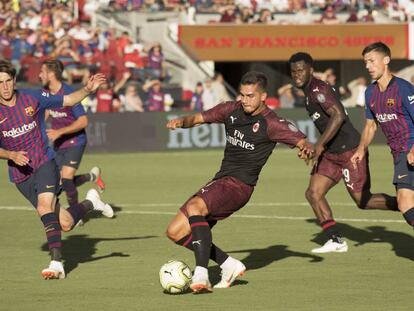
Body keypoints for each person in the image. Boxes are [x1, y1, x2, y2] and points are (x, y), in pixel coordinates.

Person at [165, 71, 314, 293]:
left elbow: (303, 141)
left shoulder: (272, 123)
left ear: (263, 96)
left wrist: (307, 149)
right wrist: (180, 122)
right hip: (221, 180)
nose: (245, 100)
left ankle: (201, 274)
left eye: (250, 96)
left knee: (195, 206)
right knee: (176, 232)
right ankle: (228, 264)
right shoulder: (230, 109)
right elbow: (196, 119)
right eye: (242, 94)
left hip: (239, 186)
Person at [0, 59, 113, 280]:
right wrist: (10, 155)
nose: (4, 87)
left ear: (14, 81)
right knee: (66, 223)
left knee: (44, 207)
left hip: (44, 163)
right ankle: (91, 202)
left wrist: (88, 89)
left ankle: (56, 263)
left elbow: (69, 99)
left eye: (7, 81)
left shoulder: (33, 97)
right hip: (20, 175)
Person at [288, 52, 398, 253]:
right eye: (293, 71)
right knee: (313, 193)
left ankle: (406, 204)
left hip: (350, 151)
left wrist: (319, 146)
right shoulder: (308, 92)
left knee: (363, 201)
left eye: (301, 70)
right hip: (331, 153)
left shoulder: (317, 89)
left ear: (310, 70)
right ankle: (336, 240)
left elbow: (338, 116)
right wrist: (318, 146)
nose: (297, 75)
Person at [351, 41, 414, 230]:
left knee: (404, 202)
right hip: (398, 154)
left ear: (386, 60)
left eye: (372, 61)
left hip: (408, 150)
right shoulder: (370, 92)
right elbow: (370, 126)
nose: (368, 66)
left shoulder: (404, 88)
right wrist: (361, 149)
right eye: (365, 62)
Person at [39, 59, 106, 213]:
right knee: (60, 182)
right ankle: (91, 177)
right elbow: (46, 112)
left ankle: (76, 214)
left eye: (42, 71)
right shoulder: (46, 93)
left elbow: (83, 121)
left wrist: (59, 132)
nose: (39, 75)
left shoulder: (70, 94)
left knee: (66, 178)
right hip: (58, 143)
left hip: (75, 141)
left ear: (51, 74)